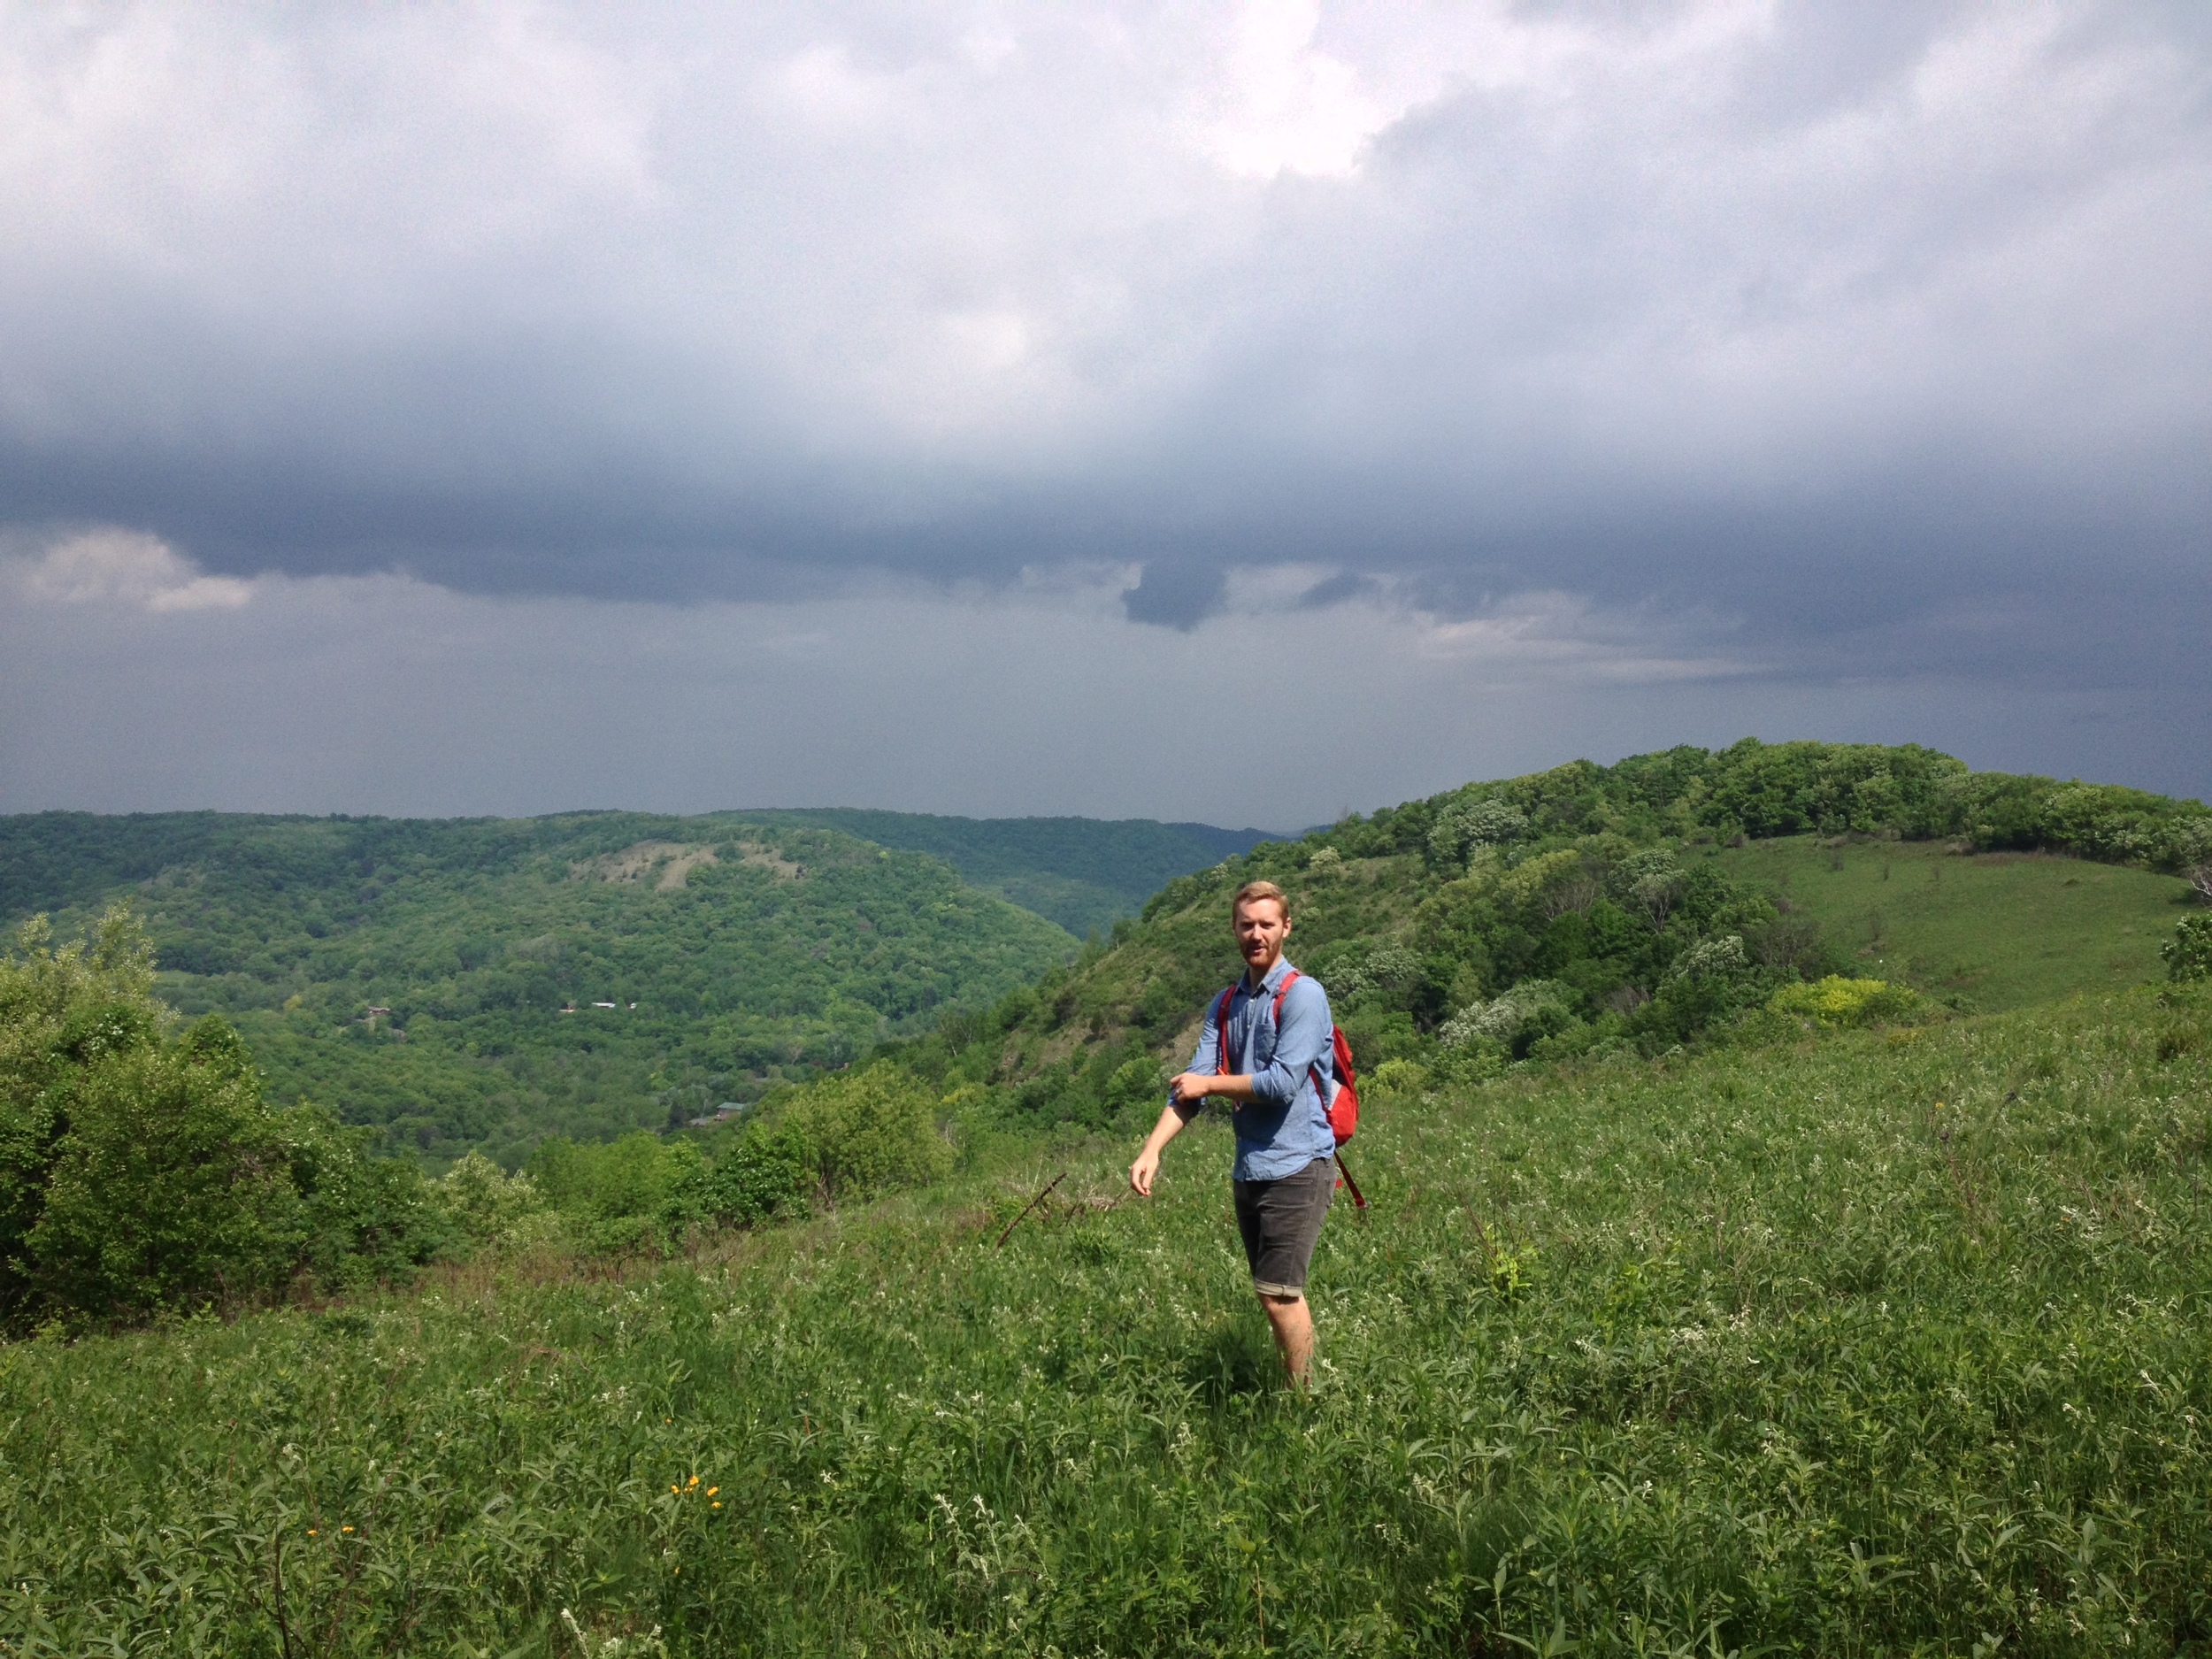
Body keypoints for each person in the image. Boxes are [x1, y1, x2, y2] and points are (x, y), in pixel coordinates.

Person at [1128, 879, 1338, 1383]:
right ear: (1234, 930)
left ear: (1286, 927)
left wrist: (1210, 1083)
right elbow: (1190, 1090)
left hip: (1299, 1163)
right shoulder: (1226, 1004)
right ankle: (1301, 1385)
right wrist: (1152, 1148)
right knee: (1274, 1294)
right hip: (1251, 1168)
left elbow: (1283, 1083)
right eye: (1247, 925)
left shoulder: (1304, 996)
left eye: (1267, 924)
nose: (1257, 934)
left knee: (1278, 1296)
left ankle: (1307, 1400)